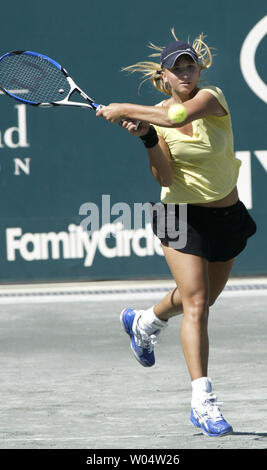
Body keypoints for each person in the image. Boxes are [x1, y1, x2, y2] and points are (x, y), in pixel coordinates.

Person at [96, 30, 257, 437]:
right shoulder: (155, 117)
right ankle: (203, 402)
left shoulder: (212, 97)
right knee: (197, 304)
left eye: (191, 65)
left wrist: (122, 109)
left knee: (198, 302)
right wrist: (148, 138)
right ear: (164, 76)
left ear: (199, 69)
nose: (186, 72)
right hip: (178, 216)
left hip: (226, 216)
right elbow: (164, 175)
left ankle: (145, 322)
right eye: (177, 67)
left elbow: (177, 117)